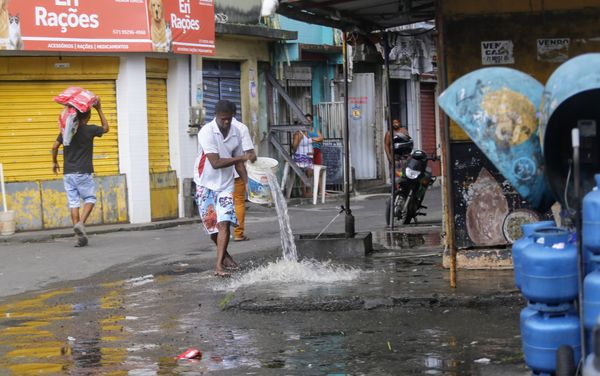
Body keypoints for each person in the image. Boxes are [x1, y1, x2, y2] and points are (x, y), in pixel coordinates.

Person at [195, 100, 250, 277]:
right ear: (216, 116)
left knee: (224, 222)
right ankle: (225, 256)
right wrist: (241, 157)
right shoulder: (206, 132)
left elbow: (239, 163)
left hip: (226, 184)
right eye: (223, 119)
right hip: (205, 183)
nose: (226, 122)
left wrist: (248, 183)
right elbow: (216, 162)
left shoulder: (236, 133)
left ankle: (218, 266)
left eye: (229, 119)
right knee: (213, 227)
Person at [51, 100, 109, 247]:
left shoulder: (67, 131)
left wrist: (54, 162)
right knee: (90, 198)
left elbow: (54, 146)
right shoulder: (90, 130)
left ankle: (80, 238)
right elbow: (106, 128)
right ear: (88, 116)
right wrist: (99, 109)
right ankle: (81, 224)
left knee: (74, 203)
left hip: (68, 173)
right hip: (83, 171)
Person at [232, 115, 257, 242]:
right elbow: (250, 152)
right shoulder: (241, 127)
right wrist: (254, 159)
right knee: (239, 201)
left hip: (218, 174)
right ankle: (238, 233)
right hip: (237, 172)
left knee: (221, 202)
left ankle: (220, 232)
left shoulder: (209, 128)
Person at [292, 123, 314, 198]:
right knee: (304, 172)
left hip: (308, 157)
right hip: (300, 157)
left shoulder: (309, 133)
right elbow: (294, 147)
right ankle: (304, 190)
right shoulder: (298, 134)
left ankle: (308, 190)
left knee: (310, 172)